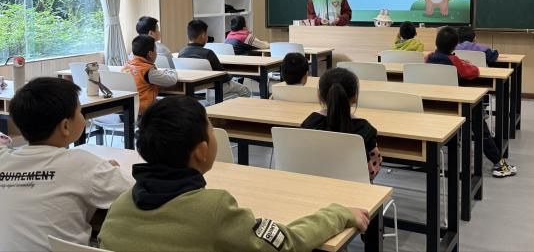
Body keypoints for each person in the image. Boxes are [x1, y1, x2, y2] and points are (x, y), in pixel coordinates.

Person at [98, 96, 369, 251]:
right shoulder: (214, 209)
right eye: (210, 127)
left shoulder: (120, 205)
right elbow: (285, 242)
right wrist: (338, 213)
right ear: (201, 151)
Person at [0, 78, 130, 252]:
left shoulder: (4, 160)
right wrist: (107, 170)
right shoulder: (84, 164)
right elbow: (135, 191)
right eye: (80, 112)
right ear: (65, 126)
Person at [426, 27, 517, 178]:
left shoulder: (428, 58)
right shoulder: (454, 61)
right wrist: (463, 63)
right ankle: (498, 162)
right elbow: (474, 72)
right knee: (479, 123)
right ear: (454, 46)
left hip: (434, 105)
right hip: (457, 105)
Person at [301, 68, 382, 180]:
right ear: (355, 97)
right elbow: (371, 172)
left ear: (320, 96)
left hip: (314, 185)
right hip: (354, 188)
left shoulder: (310, 123)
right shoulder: (364, 129)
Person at [179, 20, 251, 100]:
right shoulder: (208, 53)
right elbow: (223, 75)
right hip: (215, 87)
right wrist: (230, 76)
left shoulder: (182, 53)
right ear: (203, 35)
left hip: (194, 89)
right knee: (246, 91)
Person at [122, 35, 178, 115]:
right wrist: (172, 71)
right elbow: (172, 80)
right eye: (155, 50)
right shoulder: (148, 71)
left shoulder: (126, 65)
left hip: (127, 109)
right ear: (150, 54)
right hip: (143, 111)